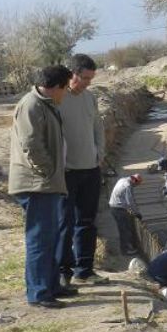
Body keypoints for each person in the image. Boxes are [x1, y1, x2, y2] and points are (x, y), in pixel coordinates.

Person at [8, 65, 77, 309]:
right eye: (65, 88)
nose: (66, 93)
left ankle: (51, 285)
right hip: (35, 184)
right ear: (56, 87)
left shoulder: (45, 104)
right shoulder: (31, 105)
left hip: (46, 183)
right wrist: (48, 171)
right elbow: (32, 145)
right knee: (39, 240)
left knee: (50, 238)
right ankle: (39, 292)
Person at [57, 54, 109, 286]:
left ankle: (84, 270)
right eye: (85, 78)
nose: (88, 83)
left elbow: (98, 126)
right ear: (73, 74)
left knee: (87, 222)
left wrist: (100, 153)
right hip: (67, 172)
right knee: (65, 223)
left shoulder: (90, 98)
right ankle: (63, 272)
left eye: (90, 79)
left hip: (91, 169)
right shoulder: (58, 98)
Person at [108, 174, 143, 256]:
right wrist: (137, 213)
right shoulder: (128, 186)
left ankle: (127, 247)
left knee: (124, 228)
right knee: (124, 229)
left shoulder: (122, 179)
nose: (135, 186)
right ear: (134, 181)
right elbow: (130, 202)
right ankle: (126, 250)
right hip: (118, 209)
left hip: (114, 207)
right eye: (136, 185)